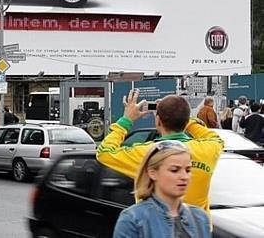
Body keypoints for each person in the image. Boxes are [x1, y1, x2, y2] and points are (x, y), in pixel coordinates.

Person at [96, 89, 224, 216]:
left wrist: (126, 120)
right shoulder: (208, 149)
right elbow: (215, 138)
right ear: (185, 122)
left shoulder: (148, 153)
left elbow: (104, 152)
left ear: (158, 121)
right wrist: (185, 118)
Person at [112, 140, 211, 238]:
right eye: (174, 170)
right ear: (153, 173)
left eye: (188, 170)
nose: (184, 176)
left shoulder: (200, 217)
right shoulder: (133, 218)